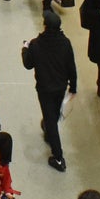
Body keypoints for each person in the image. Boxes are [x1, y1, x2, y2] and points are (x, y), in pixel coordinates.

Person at [21, 9, 78, 172]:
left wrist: (25, 49)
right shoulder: (65, 42)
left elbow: (28, 64)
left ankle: (58, 157)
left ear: (45, 25)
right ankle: (47, 128)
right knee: (53, 113)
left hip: (44, 88)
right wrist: (73, 86)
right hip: (60, 86)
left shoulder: (36, 44)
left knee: (51, 118)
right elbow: (71, 66)